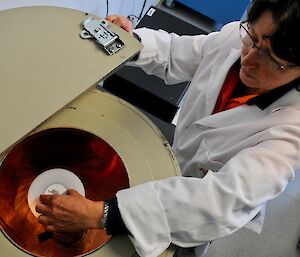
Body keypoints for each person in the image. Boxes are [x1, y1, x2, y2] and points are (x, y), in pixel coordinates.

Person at [36, 0, 300, 256]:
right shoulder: (235, 39)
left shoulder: (291, 133)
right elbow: (176, 52)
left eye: (271, 59)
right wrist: (130, 42)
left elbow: (219, 201)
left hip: (198, 218)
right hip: (170, 168)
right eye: (252, 37)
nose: (249, 59)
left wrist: (102, 214)